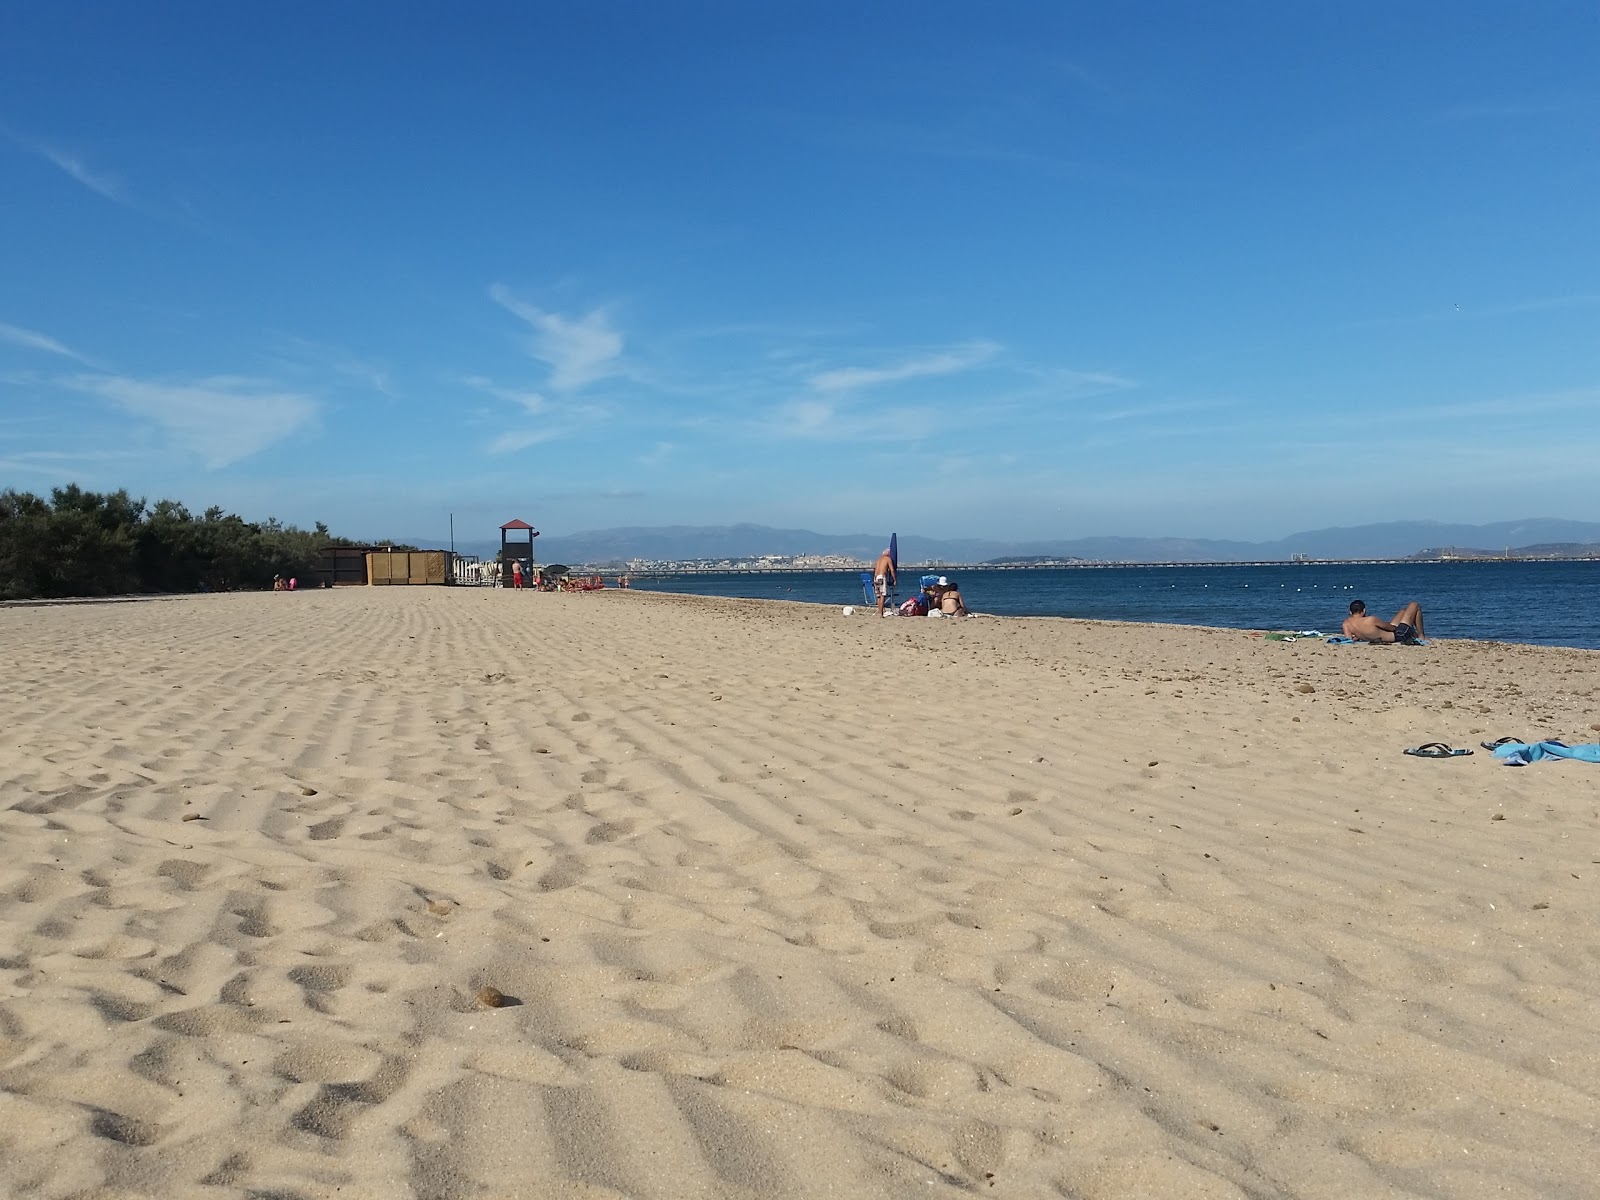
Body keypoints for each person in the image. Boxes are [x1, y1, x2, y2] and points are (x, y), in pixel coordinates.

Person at [1343, 599, 1425, 644]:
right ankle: (1421, 636)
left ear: (1350, 612)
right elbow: (1391, 628)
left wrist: (1359, 636)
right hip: (1398, 636)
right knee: (1414, 605)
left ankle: (1415, 635)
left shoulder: (1346, 624)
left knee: (1402, 612)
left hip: (1386, 636)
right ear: (1364, 610)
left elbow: (1349, 640)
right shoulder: (1371, 619)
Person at [871, 547, 897, 617]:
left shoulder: (878, 560)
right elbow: (892, 570)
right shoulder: (888, 559)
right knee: (883, 595)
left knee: (878, 596)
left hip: (875, 577)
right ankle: (881, 614)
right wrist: (894, 579)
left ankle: (880, 612)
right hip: (882, 577)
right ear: (888, 554)